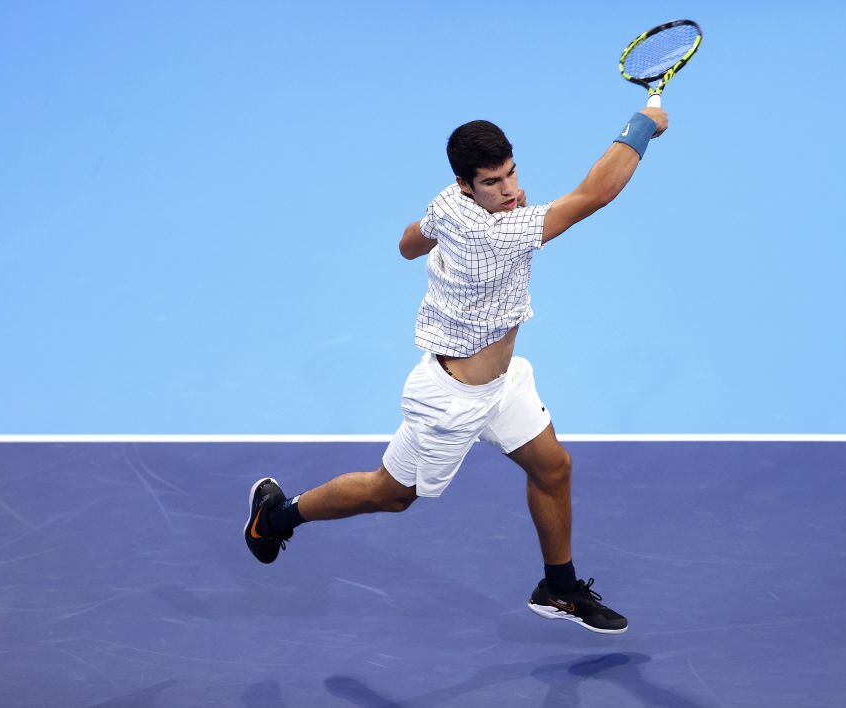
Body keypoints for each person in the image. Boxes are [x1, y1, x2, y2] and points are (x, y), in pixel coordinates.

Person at [244, 105, 668, 634]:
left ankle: (559, 588)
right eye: (492, 182)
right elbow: (595, 194)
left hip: (502, 382)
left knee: (553, 468)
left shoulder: (448, 205)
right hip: (451, 401)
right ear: (465, 185)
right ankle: (278, 517)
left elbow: (407, 243)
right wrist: (643, 125)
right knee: (390, 495)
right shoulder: (498, 234)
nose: (509, 190)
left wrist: (433, 235)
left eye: (511, 172)